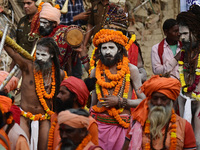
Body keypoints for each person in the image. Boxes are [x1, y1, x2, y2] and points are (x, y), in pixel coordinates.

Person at [3, 37, 65, 150]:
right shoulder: (28, 67)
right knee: (23, 145)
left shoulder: (58, 74)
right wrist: (2, 38)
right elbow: (13, 53)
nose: (39, 58)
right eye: (38, 54)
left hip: (44, 117)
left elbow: (59, 96)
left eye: (43, 55)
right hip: (25, 116)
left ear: (51, 56)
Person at [90, 29, 146, 150]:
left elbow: (143, 101)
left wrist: (121, 102)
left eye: (111, 47)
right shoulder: (95, 71)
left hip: (122, 127)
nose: (107, 52)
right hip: (99, 126)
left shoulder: (132, 70)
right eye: (104, 48)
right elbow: (93, 103)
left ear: (119, 49)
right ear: (99, 50)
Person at [122, 75, 196, 150]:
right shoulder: (137, 123)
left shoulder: (184, 126)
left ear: (172, 101)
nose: (159, 102)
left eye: (164, 99)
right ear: (149, 100)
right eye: (155, 98)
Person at [30, 2, 85, 79]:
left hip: (60, 73)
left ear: (54, 24)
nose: (41, 25)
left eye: (45, 23)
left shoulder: (63, 33)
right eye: (40, 22)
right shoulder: (40, 33)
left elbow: (74, 34)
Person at [48, 76, 98, 150]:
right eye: (59, 92)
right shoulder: (54, 117)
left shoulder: (89, 123)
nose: (58, 96)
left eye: (62, 93)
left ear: (74, 97)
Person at [176, 4, 200, 149]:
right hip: (184, 99)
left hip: (198, 101)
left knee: (197, 141)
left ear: (196, 32)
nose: (182, 38)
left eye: (185, 34)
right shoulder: (183, 54)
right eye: (180, 35)